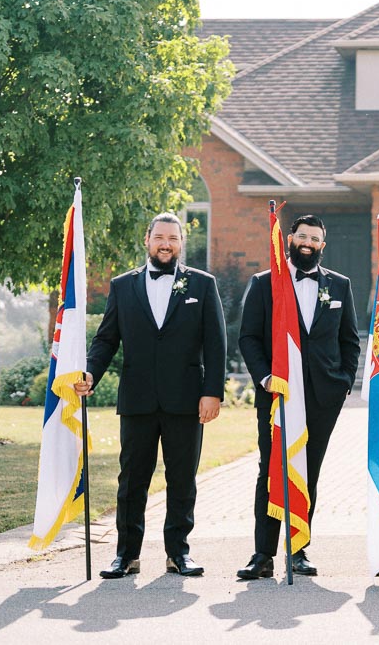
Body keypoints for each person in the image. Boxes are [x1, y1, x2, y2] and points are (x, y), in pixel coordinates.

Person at [76, 212, 226, 579]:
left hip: (186, 399)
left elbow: (216, 343)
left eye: (173, 238)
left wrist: (213, 393)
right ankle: (126, 556)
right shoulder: (122, 286)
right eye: (160, 237)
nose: (166, 244)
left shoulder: (202, 284)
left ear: (181, 243)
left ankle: (179, 553)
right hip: (138, 399)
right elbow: (107, 338)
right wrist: (90, 371)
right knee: (131, 481)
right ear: (147, 240)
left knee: (182, 480)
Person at [235, 214, 360, 580]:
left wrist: (343, 384)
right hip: (277, 394)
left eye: (315, 238)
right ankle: (262, 555)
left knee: (309, 472)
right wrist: (264, 377)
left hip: (323, 396)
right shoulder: (264, 284)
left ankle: (299, 549)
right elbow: (248, 338)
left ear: (323, 244)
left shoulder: (339, 285)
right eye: (302, 236)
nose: (307, 243)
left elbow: (350, 341)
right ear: (289, 239)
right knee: (270, 470)